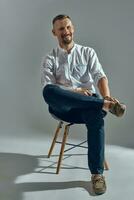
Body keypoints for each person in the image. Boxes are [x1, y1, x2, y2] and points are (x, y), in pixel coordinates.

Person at [41, 14, 126, 195]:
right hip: (64, 108)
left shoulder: (87, 52)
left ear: (73, 28)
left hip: (88, 107)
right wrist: (74, 92)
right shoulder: (50, 58)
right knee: (48, 91)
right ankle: (103, 104)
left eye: (68, 27)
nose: (66, 32)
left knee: (95, 116)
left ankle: (97, 175)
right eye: (61, 28)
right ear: (54, 32)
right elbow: (49, 87)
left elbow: (100, 76)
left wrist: (107, 96)